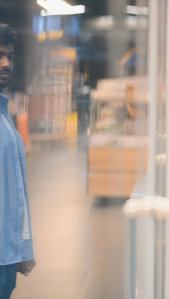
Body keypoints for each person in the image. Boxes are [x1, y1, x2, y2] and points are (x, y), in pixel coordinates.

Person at [0, 23, 35, 298]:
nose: (5, 63)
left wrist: (23, 248)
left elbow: (17, 192)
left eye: (10, 56)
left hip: (6, 255)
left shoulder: (5, 116)